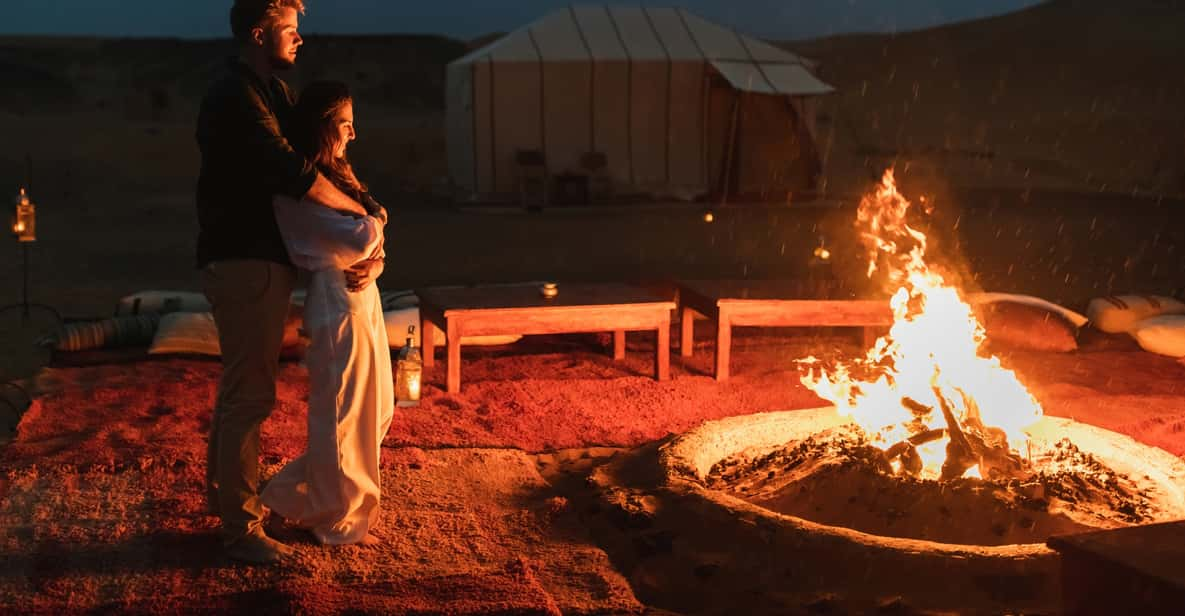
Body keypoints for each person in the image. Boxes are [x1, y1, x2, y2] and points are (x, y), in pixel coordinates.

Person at [196, 0, 374, 565]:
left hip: (257, 258)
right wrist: (363, 218)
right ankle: (241, 530)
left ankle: (224, 501)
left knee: (240, 392)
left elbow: (312, 154)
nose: (300, 39)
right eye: (290, 30)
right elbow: (292, 171)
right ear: (257, 33)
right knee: (250, 396)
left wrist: (361, 215)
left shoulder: (268, 92)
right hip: (244, 258)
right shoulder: (236, 95)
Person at [260, 81, 393, 546]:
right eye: (345, 125)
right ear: (321, 128)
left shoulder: (337, 179)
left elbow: (367, 240)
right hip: (335, 300)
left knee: (377, 411)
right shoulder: (298, 191)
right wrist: (375, 227)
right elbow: (359, 238)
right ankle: (334, 519)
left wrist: (375, 254)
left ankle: (286, 497)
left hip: (363, 294)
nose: (353, 135)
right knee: (343, 416)